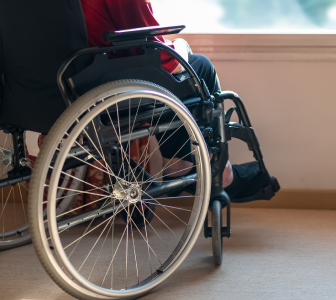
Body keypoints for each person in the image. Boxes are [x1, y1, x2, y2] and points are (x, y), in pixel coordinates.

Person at [80, 0, 269, 200]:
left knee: (176, 80)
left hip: (73, 87)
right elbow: (168, 63)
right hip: (111, 91)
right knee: (200, 68)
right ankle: (215, 170)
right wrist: (181, 46)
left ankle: (181, 164)